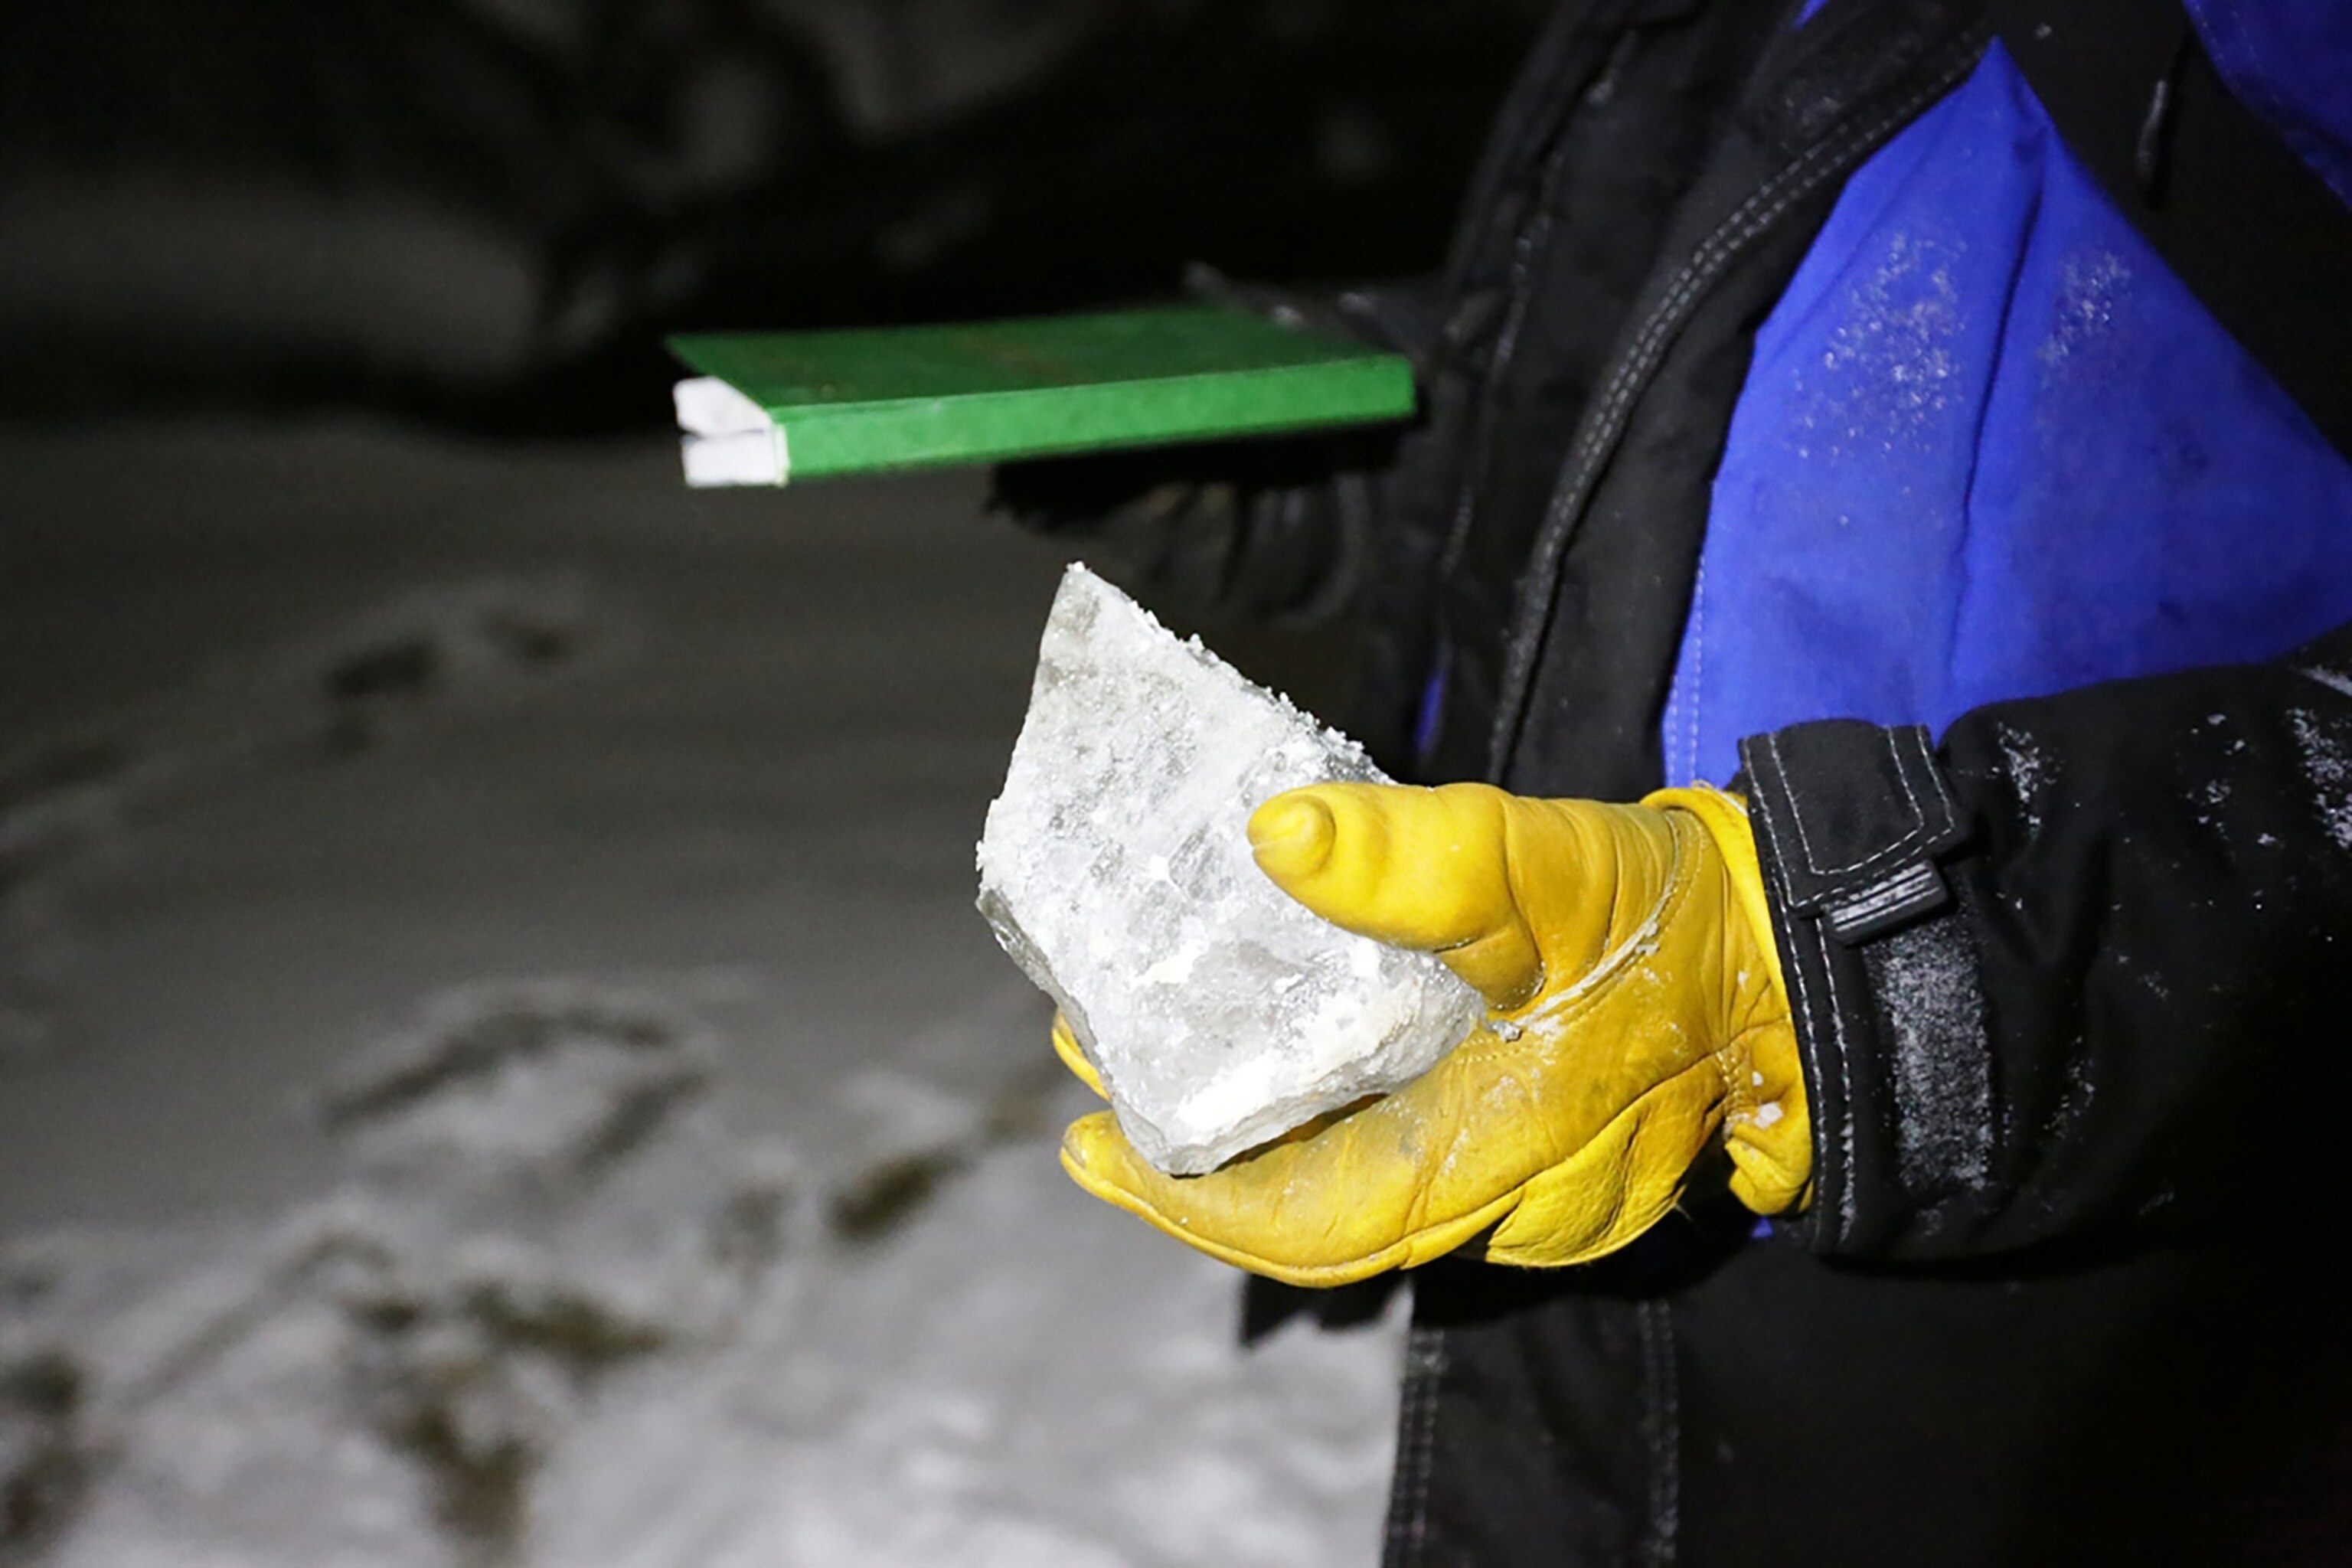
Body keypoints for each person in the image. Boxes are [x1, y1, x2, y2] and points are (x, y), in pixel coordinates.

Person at [997, 0, 2352, 1561]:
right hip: (1590, 1188)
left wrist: (1874, 963)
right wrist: (1317, 472)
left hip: (2096, 1329)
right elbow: (1675, 385)